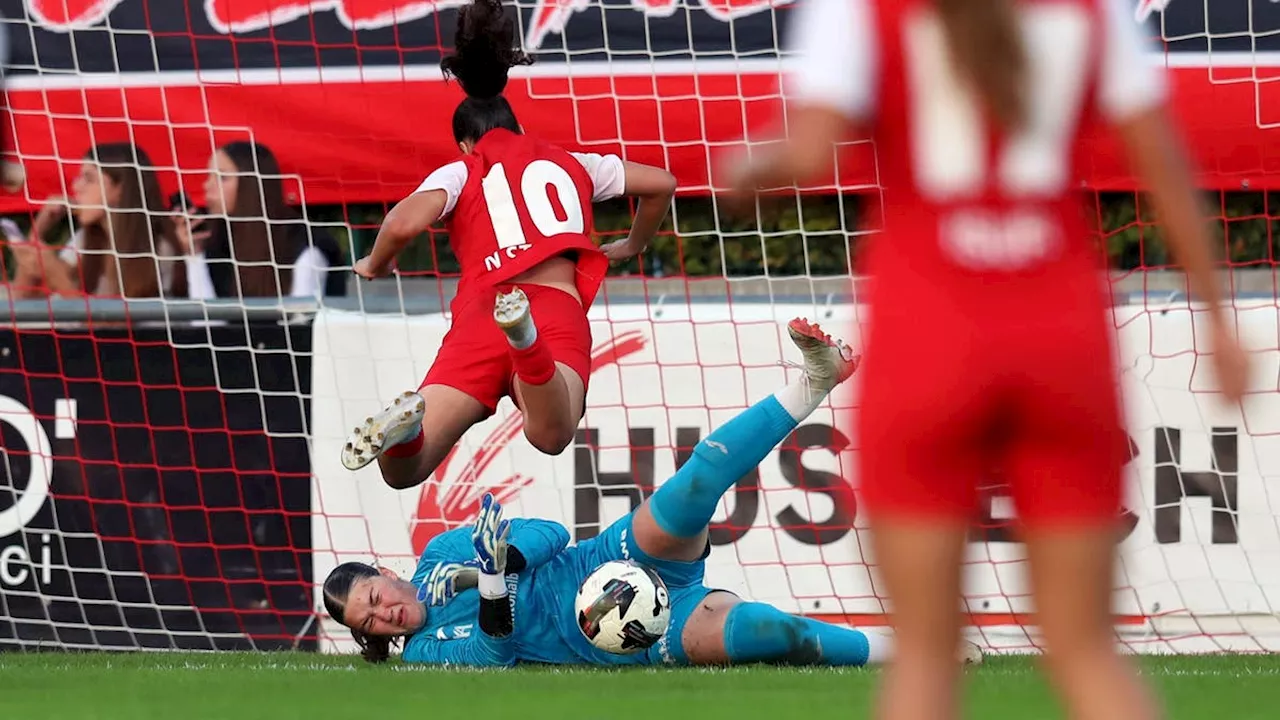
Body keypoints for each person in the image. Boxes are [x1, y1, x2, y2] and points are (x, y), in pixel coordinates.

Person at [722, 1, 1250, 719]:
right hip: (1059, 333)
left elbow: (808, 150)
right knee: (1087, 655)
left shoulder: (863, 10)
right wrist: (1219, 321)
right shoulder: (1091, 10)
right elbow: (1163, 165)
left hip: (929, 333)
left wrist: (751, 163)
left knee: (926, 667)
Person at [325, 319, 979, 668]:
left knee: (701, 474)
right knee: (763, 630)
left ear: (385, 573)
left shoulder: (440, 553)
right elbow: (492, 654)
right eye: (370, 623)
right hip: (621, 637)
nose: (384, 615)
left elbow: (547, 535)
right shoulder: (424, 655)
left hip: (610, 558)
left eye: (375, 598)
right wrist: (488, 586)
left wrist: (486, 565)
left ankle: (816, 380)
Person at [340, 0, 676, 488]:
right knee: (551, 432)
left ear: (464, 144)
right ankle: (525, 342)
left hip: (478, 316)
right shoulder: (571, 162)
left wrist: (375, 262)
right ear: (519, 129)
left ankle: (408, 429)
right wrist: (632, 243)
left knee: (405, 472)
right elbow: (662, 182)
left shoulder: (462, 168)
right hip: (551, 312)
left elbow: (403, 222)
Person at [177, 140, 346, 300]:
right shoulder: (219, 242)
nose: (207, 186)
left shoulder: (304, 246)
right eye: (209, 176)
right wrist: (195, 257)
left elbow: (301, 323)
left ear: (252, 183)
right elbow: (207, 324)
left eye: (222, 177)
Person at [10, 142, 180, 299]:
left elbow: (111, 326)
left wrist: (57, 276)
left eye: (89, 179)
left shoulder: (158, 250)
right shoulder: (84, 240)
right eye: (79, 178)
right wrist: (38, 231)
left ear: (120, 190)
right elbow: (22, 303)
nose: (76, 187)